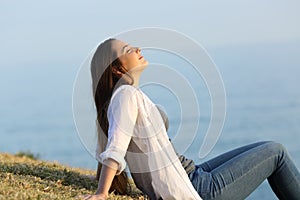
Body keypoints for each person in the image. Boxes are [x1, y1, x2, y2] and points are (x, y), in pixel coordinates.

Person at [83, 38, 300, 200]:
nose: (138, 49)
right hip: (198, 188)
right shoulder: (125, 96)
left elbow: (111, 138)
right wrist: (102, 193)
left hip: (192, 172)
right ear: (117, 67)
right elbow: (116, 146)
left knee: (266, 147)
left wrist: (100, 178)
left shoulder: (127, 97)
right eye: (128, 50)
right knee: (276, 152)